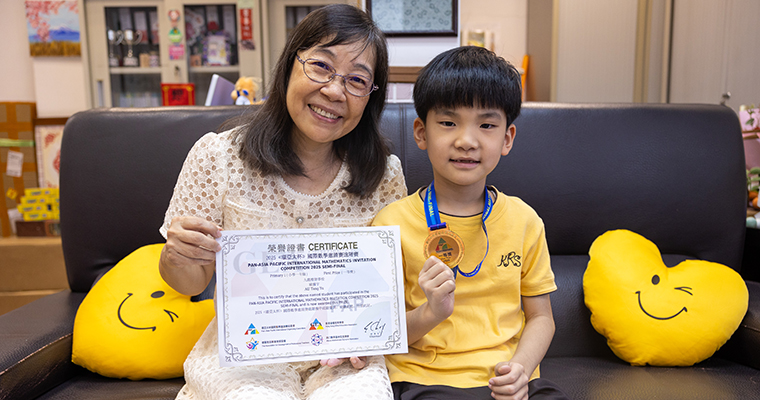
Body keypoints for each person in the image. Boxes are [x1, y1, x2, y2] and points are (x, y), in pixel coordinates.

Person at [158, 4, 407, 400]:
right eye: (321, 66)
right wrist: (177, 257)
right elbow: (190, 282)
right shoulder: (218, 156)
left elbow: (389, 286)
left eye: (357, 80)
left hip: (344, 359)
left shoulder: (385, 174)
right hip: (246, 355)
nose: (334, 91)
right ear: (290, 64)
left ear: (370, 97)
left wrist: (373, 329)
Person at [372, 46, 568, 400]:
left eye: (486, 125)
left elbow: (542, 318)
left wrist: (521, 369)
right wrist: (432, 312)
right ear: (421, 132)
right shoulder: (391, 223)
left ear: (506, 138)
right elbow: (382, 331)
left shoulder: (524, 220)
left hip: (509, 379)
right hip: (427, 380)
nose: (466, 141)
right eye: (448, 123)